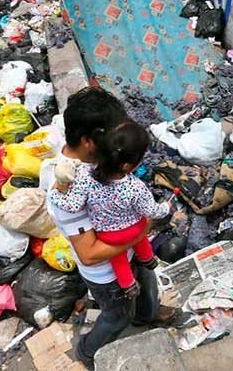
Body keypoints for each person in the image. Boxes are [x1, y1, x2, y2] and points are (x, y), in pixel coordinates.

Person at [39, 87, 159, 369]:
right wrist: (141, 231)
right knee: (118, 315)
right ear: (89, 141)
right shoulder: (68, 185)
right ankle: (88, 352)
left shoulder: (100, 162)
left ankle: (147, 316)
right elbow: (90, 254)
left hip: (129, 248)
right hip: (107, 271)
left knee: (146, 286)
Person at [51, 121, 170, 298]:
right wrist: (166, 208)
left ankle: (128, 285)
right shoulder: (135, 187)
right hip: (135, 229)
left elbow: (73, 205)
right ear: (128, 166)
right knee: (141, 227)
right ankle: (147, 258)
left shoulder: (84, 176)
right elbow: (151, 211)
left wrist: (54, 193)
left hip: (109, 236)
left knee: (118, 258)